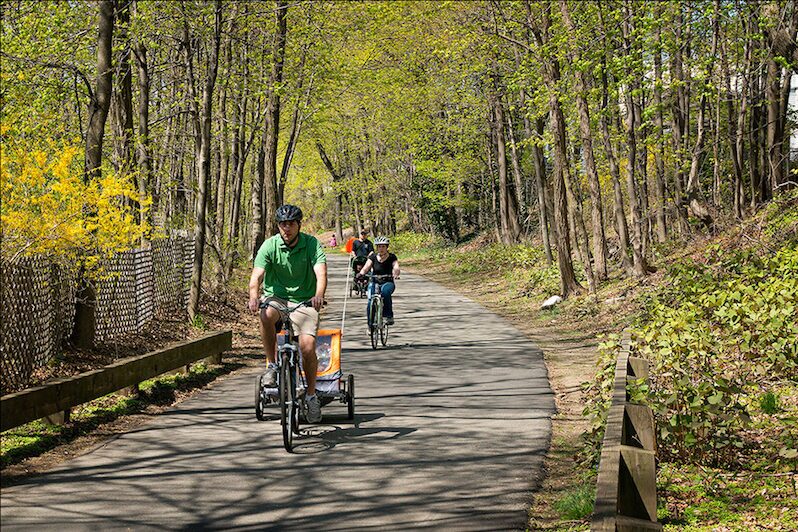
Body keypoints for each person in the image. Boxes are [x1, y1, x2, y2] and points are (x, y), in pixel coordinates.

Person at [248, 204, 327, 423]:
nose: (287, 228)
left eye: (291, 223)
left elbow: (321, 272)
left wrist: (319, 294)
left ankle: (311, 396)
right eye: (283, 224)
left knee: (307, 347)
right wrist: (254, 296)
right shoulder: (269, 246)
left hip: (304, 301)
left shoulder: (311, 244)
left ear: (299, 225)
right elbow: (256, 276)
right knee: (265, 314)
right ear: (278, 226)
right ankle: (272, 366)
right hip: (277, 298)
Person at [357, 236, 400, 326]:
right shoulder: (372, 257)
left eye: (383, 246)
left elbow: (396, 267)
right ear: (377, 247)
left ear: (387, 247)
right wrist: (361, 274)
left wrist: (396, 273)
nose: (381, 249)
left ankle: (388, 316)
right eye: (379, 246)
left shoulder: (392, 257)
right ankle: (370, 325)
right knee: (370, 303)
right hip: (374, 282)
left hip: (388, 282)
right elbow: (366, 267)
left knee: (385, 292)